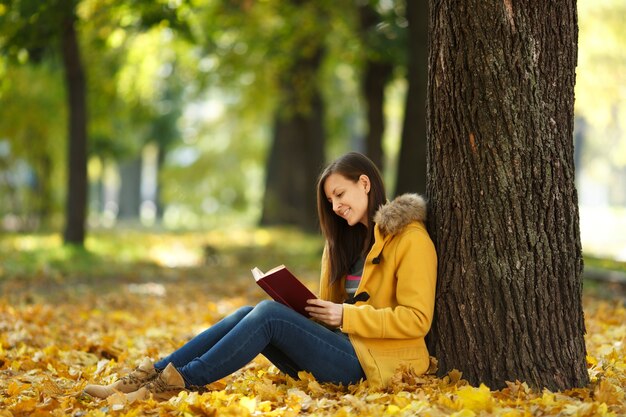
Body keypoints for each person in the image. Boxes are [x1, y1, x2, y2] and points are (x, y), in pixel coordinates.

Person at [83, 151, 437, 401]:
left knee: (267, 316)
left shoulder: (410, 239)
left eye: (340, 194)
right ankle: (147, 376)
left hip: (375, 364)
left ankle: (173, 384)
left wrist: (346, 315)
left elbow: (417, 319)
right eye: (330, 200)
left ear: (364, 183)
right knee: (251, 312)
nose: (335, 206)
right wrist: (306, 308)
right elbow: (330, 316)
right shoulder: (340, 246)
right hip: (342, 349)